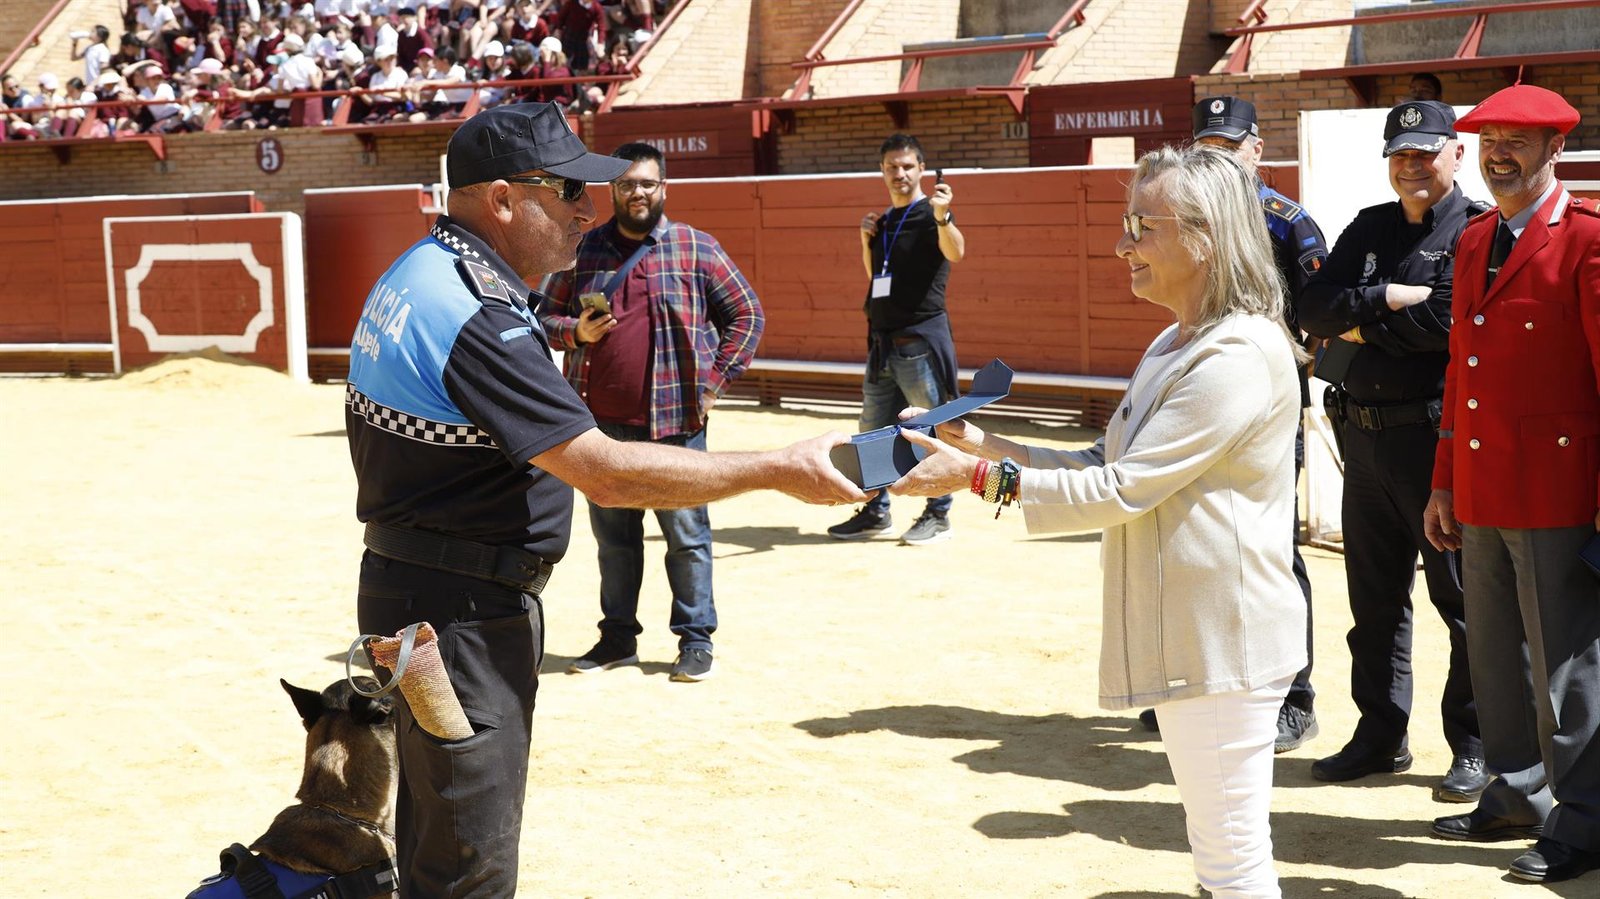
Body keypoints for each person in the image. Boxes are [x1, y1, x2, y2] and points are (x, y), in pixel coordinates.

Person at [346, 101, 861, 897]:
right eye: (567, 192)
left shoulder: (428, 271)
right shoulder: (475, 308)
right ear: (503, 200)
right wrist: (778, 466)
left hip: (425, 594)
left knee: (436, 833)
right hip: (461, 617)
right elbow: (608, 473)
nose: (589, 210)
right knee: (468, 858)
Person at [893, 144, 1308, 898]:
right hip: (1197, 630)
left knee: (1234, 863)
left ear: (1204, 235)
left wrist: (977, 478)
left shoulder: (1237, 351)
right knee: (1224, 856)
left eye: (1140, 226)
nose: (1122, 245)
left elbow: (1123, 489)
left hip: (1223, 636)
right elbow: (1101, 459)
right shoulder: (1177, 342)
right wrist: (977, 441)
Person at [1424, 83, 1600, 885]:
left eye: (1518, 141)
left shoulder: (1588, 240)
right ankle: (1516, 791)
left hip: (1559, 488)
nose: (1499, 153)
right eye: (1490, 138)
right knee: (1494, 651)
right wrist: (1443, 482)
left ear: (1554, 149)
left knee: (1566, 663)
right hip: (1485, 484)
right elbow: (1463, 372)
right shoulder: (1474, 240)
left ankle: (1586, 820)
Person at [1297, 99, 1487, 800]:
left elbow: (1446, 325)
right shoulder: (1371, 225)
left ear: (1455, 155)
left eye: (1426, 152)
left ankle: (1474, 744)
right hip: (1363, 438)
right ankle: (1380, 735)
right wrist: (1388, 297)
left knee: (1462, 603)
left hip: (1434, 442)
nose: (1411, 165)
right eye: (1400, 154)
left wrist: (1362, 317)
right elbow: (1311, 307)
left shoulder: (1474, 231)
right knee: (1374, 601)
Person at [1138, 96, 1328, 753]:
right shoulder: (1180, 217)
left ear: (1257, 150)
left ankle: (1292, 698)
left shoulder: (1286, 223)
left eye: (1230, 146)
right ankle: (1186, 684)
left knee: (1267, 546)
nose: (1218, 158)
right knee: (1185, 536)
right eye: (1206, 147)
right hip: (1193, 397)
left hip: (1262, 410)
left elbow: (1319, 318)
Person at [538, 142, 763, 682]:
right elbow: (540, 316)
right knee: (615, 543)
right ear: (612, 190)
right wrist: (574, 332)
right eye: (627, 184)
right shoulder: (583, 250)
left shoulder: (695, 248)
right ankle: (617, 640)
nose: (637, 192)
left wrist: (713, 385)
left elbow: (747, 315)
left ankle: (695, 641)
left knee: (688, 537)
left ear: (664, 188)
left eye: (647, 183)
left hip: (676, 425)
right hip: (601, 429)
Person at [827, 132, 966, 546]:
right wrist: (865, 240)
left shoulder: (933, 213)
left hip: (919, 343)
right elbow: (875, 277)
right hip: (883, 344)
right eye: (892, 166)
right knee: (871, 432)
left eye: (907, 166)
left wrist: (944, 216)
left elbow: (956, 252)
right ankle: (876, 510)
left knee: (928, 431)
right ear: (883, 170)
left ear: (921, 169)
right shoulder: (884, 219)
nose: (900, 173)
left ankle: (938, 514)